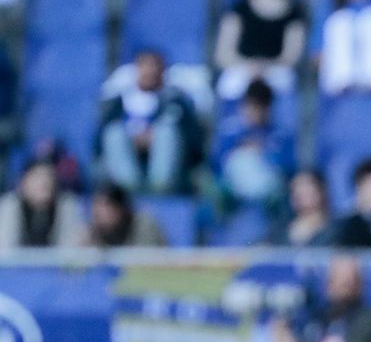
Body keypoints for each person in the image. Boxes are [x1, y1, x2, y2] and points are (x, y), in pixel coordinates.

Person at [97, 49, 203, 195]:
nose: (150, 72)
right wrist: (134, 140)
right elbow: (99, 141)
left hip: (168, 168)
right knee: (114, 132)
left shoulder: (176, 101)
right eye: (145, 66)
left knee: (166, 131)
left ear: (163, 70)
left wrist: (153, 138)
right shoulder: (118, 103)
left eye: (155, 66)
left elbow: (194, 140)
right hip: (126, 163)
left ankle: (160, 188)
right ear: (137, 69)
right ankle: (128, 188)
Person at [214, 79, 296, 206]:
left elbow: (288, 169)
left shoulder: (280, 136)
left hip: (269, 195)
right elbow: (215, 164)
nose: (252, 112)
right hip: (232, 191)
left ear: (267, 109)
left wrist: (263, 152)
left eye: (258, 108)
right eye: (249, 106)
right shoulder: (229, 132)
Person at [214, 0, 308, 101]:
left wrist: (265, 66)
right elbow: (223, 55)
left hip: (274, 71)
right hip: (243, 69)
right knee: (229, 86)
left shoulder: (294, 15)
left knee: (285, 79)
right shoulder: (237, 11)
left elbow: (292, 57)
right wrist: (250, 66)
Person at [0, 159, 86, 249]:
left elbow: (71, 249)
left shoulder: (67, 205)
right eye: (37, 177)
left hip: (56, 262)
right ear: (23, 182)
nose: (44, 182)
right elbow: (4, 248)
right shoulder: (9, 205)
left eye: (49, 177)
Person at [85, 183, 166, 247]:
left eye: (105, 207)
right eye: (96, 208)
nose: (99, 214)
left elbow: (147, 260)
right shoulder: (94, 230)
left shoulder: (145, 225)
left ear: (121, 209)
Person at [281, 169, 334, 246]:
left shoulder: (338, 230)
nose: (300, 192)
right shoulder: (280, 228)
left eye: (307, 186)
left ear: (321, 190)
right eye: (296, 188)